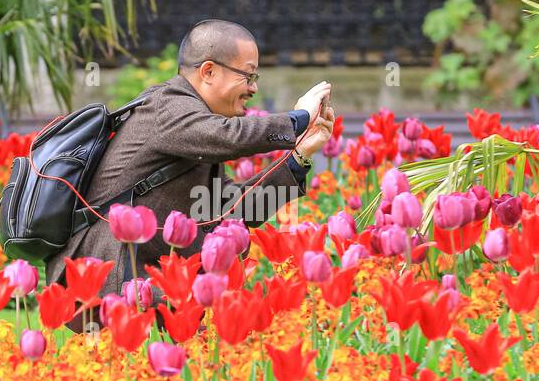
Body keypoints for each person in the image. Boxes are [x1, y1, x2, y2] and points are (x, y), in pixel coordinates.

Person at [44, 19, 336, 326]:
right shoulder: (168, 107)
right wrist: (298, 118)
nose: (254, 88)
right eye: (248, 75)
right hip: (113, 276)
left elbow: (232, 211)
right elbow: (227, 136)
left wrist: (299, 157)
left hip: (145, 280)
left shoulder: (195, 122)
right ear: (208, 71)